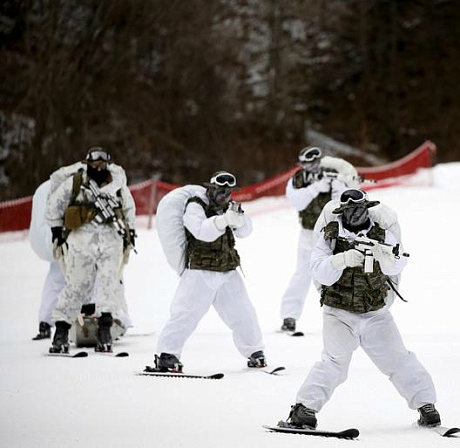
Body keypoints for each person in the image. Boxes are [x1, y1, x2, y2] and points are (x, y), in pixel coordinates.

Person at [283, 188, 442, 429]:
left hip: (375, 313)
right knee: (334, 363)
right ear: (342, 211)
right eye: (349, 210)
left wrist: (386, 256)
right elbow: (317, 270)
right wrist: (342, 259)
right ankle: (304, 409)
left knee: (399, 360)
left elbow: (398, 265)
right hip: (339, 313)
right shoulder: (331, 235)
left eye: (359, 208)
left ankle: (426, 406)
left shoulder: (382, 233)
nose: (354, 214)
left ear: (367, 208)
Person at [152, 171, 267, 372]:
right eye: (220, 191)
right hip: (200, 271)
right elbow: (201, 231)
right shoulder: (196, 205)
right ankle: (166, 355)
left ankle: (255, 352)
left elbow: (246, 231)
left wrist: (238, 220)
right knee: (186, 313)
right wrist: (222, 221)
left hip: (227, 270)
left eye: (228, 192)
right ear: (211, 188)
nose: (224, 195)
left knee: (243, 313)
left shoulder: (229, 206)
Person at [45, 147, 136, 353]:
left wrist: (131, 235)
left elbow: (129, 209)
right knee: (76, 286)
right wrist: (57, 232)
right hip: (81, 239)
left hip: (111, 238)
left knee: (108, 284)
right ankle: (61, 332)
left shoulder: (118, 184)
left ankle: (105, 331)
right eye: (94, 164)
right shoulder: (76, 182)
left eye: (102, 164)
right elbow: (54, 206)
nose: (98, 167)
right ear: (87, 164)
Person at [279, 146, 356, 334]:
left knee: (339, 272)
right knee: (302, 274)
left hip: (330, 233)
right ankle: (289, 316)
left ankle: (346, 316)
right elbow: (297, 201)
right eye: (308, 163)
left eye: (315, 162)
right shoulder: (297, 179)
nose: (312, 167)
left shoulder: (333, 174)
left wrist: (339, 189)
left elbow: (346, 203)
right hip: (308, 233)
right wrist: (316, 187)